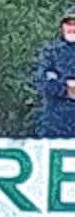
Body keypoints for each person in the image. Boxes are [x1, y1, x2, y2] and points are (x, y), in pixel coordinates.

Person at [40, 8, 75, 139]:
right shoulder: (50, 53)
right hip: (55, 126)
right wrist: (67, 88)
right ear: (61, 27)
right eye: (68, 24)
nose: (71, 28)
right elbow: (46, 84)